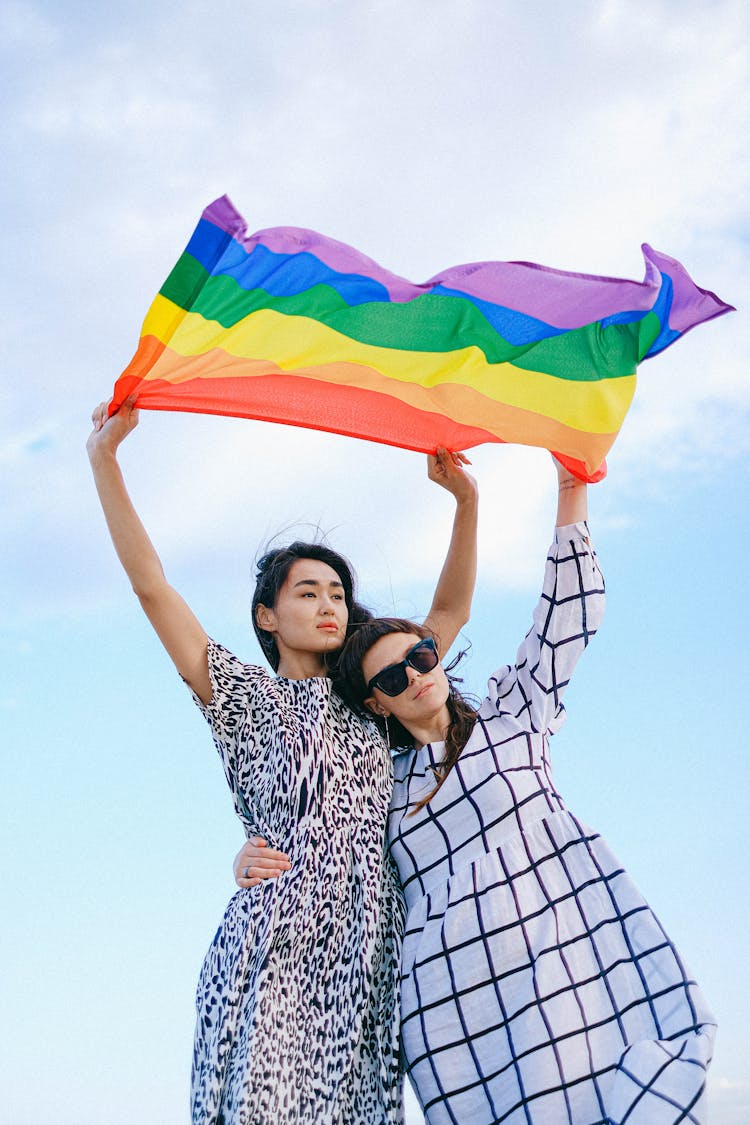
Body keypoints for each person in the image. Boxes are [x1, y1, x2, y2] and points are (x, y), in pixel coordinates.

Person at [235, 461, 716, 1124]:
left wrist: (570, 487)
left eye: (422, 658)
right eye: (397, 678)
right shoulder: (383, 781)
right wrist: (251, 856)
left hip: (556, 968)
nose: (417, 676)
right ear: (377, 703)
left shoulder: (513, 716)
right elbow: (322, 836)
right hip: (456, 1010)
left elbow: (566, 615)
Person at [86, 397, 478, 1125]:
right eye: (308, 591)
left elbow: (449, 611)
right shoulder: (243, 698)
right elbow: (153, 587)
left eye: (337, 592)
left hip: (369, 945)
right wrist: (104, 460)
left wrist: (466, 502)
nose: (329, 604)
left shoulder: (376, 691)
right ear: (268, 614)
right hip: (277, 934)